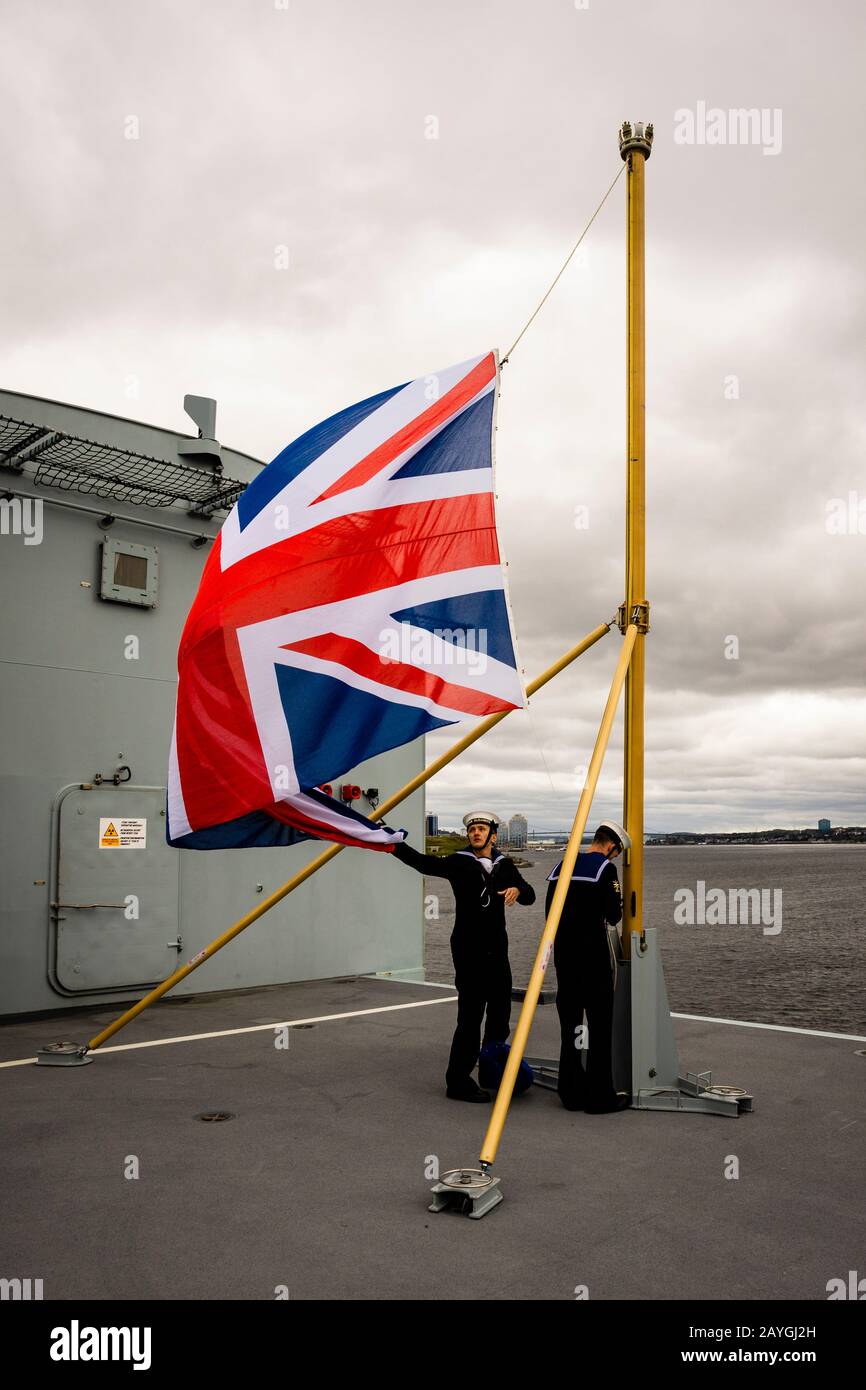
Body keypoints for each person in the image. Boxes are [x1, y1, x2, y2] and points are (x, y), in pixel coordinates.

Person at [391, 812, 535, 1101]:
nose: (476, 833)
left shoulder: (504, 865)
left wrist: (517, 889)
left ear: (493, 835)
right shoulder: (459, 862)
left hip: (497, 950)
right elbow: (423, 863)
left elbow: (530, 895)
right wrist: (392, 844)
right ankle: (457, 1081)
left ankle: (490, 1069)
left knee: (499, 1014)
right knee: (470, 1017)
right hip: (469, 950)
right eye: (472, 830)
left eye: (481, 829)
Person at [546, 820, 631, 1114]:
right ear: (612, 847)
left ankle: (570, 1092)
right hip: (592, 959)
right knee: (598, 1027)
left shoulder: (561, 867)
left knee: (570, 1026)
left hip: (564, 958)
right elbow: (614, 914)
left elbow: (549, 914)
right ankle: (600, 1097)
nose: (616, 857)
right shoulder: (605, 870)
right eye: (617, 853)